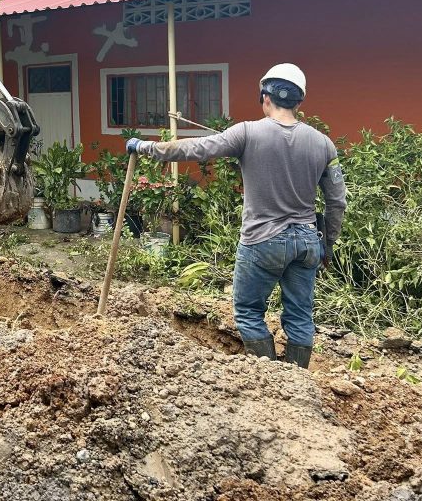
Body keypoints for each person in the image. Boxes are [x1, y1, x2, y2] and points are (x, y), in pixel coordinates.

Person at [125, 63, 347, 368]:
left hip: (262, 241)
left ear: (265, 97)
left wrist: (147, 146)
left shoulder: (247, 132)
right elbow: (337, 202)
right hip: (307, 242)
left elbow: (197, 149)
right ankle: (297, 381)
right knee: (300, 316)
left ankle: (269, 377)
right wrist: (328, 245)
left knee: (248, 312)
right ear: (299, 101)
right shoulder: (324, 144)